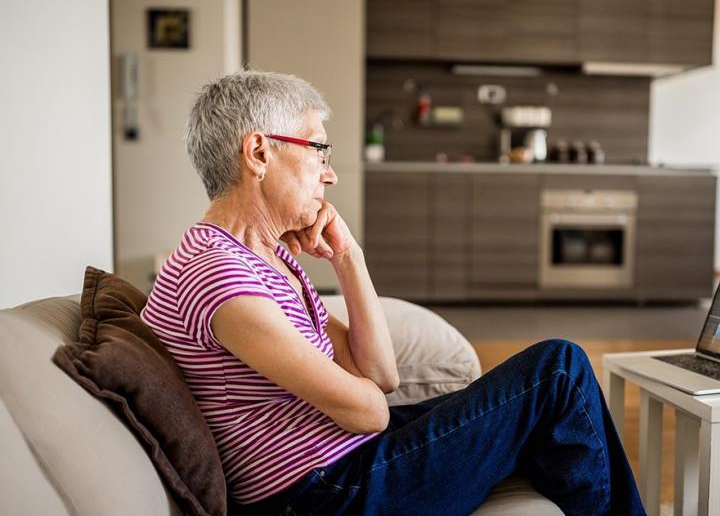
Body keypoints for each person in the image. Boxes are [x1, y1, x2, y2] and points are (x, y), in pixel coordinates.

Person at [140, 70, 644, 516]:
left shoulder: (262, 256)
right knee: (559, 371)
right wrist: (360, 397)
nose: (329, 172)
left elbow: (381, 376)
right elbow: (370, 410)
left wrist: (347, 256)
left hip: (343, 464)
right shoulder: (219, 274)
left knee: (549, 400)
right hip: (325, 495)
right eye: (318, 149)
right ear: (258, 153)